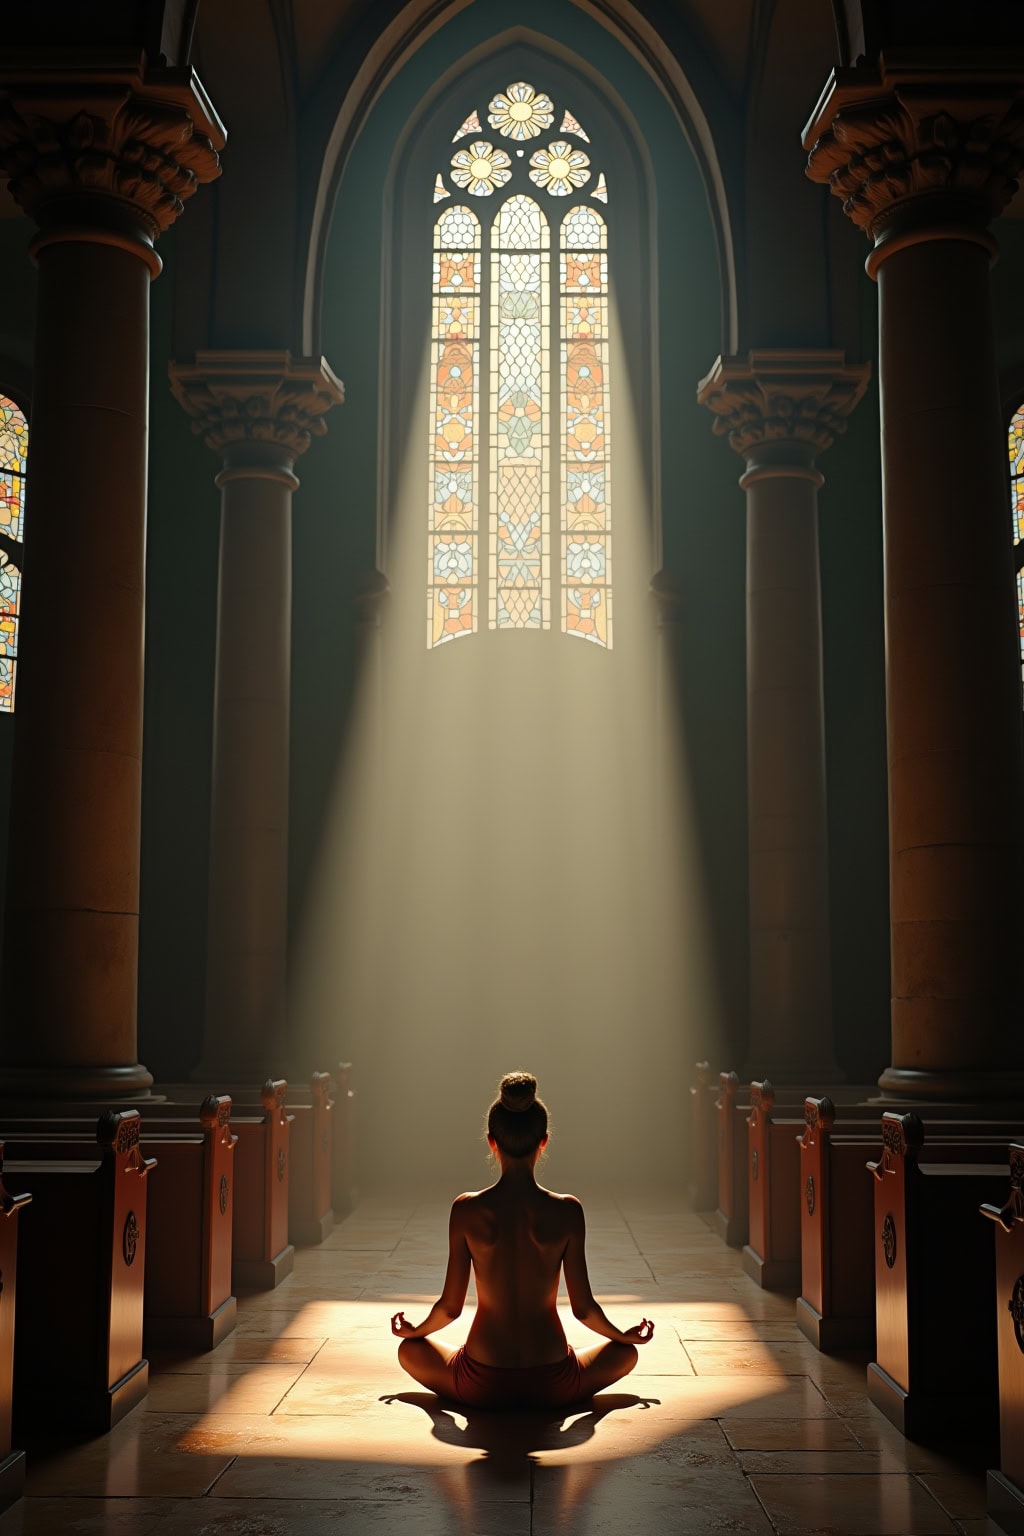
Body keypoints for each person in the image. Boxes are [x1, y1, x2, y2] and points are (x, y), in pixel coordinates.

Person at [390, 1070, 654, 1408]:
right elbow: (584, 1310)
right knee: (626, 1353)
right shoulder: (568, 1211)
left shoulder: (466, 1209)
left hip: (481, 1381)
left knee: (409, 1350)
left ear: (492, 1141)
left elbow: (450, 1309)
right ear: (543, 1141)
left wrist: (415, 1331)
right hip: (553, 1381)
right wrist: (622, 1336)